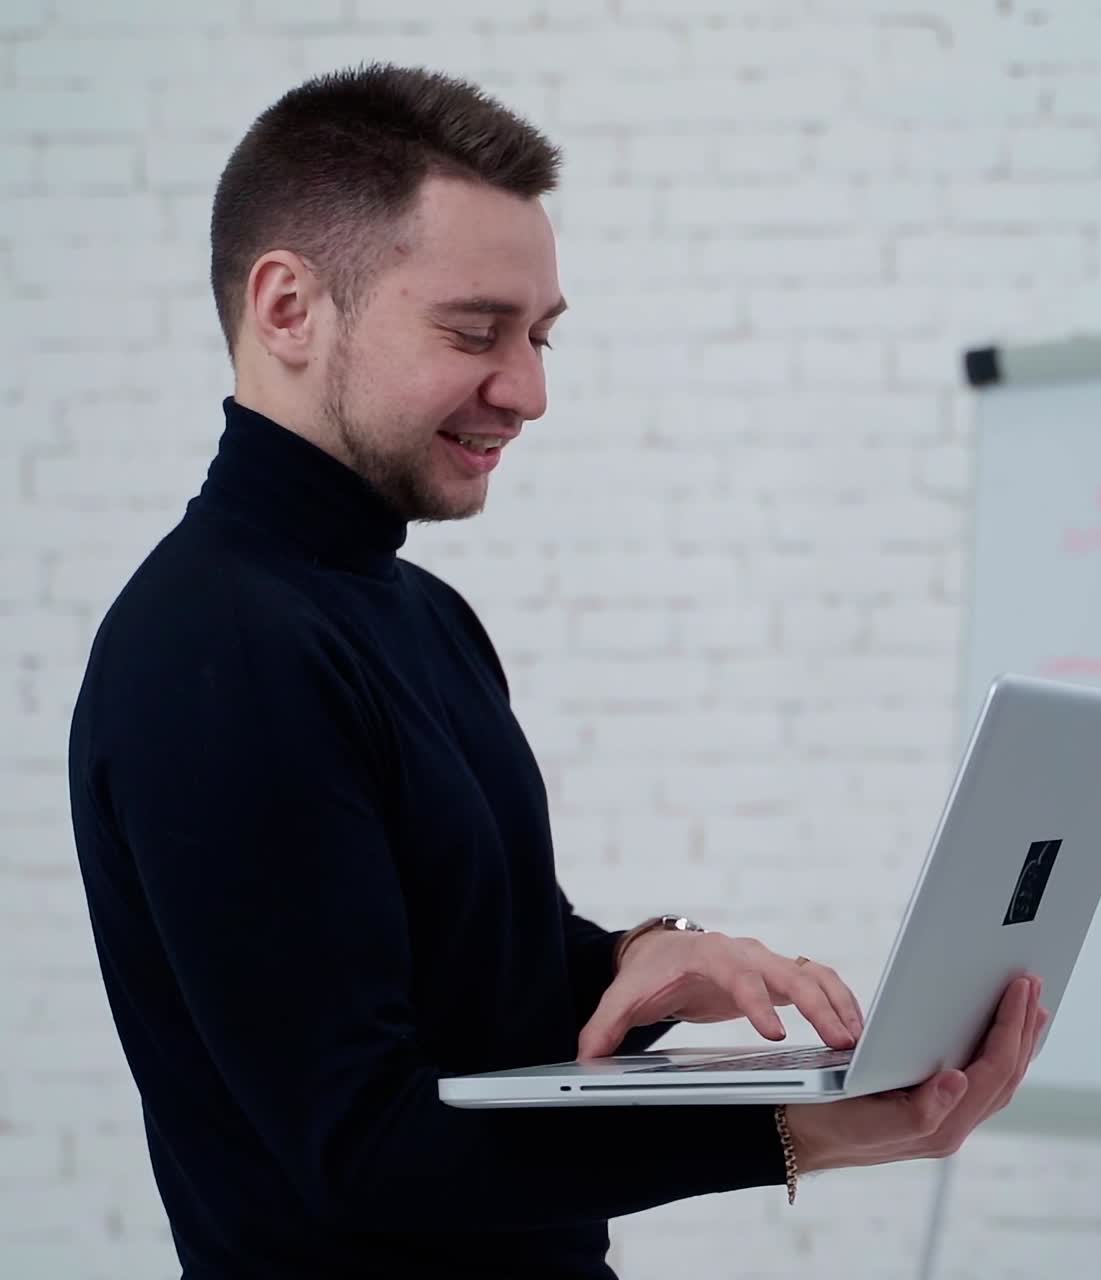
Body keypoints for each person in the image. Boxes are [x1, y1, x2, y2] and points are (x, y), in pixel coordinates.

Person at [67, 63, 1047, 1280]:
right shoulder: (210, 651)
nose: (527, 390)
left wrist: (635, 958)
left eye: (536, 335)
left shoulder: (421, 615)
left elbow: (465, 988)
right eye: (474, 331)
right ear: (286, 308)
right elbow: (363, 1145)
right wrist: (804, 1129)